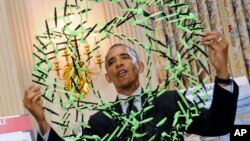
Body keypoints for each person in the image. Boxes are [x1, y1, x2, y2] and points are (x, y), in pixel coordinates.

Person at [23, 31, 239, 141]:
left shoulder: (170, 102)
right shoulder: (99, 122)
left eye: (124, 57)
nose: (118, 63)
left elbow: (217, 125)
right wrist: (42, 121)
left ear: (140, 66)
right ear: (108, 77)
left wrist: (221, 73)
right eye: (111, 62)